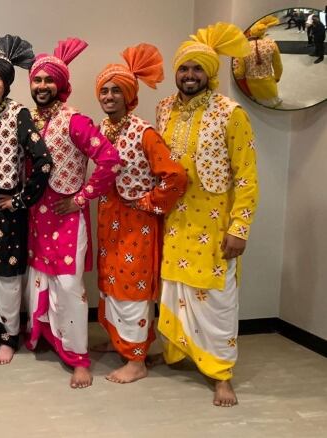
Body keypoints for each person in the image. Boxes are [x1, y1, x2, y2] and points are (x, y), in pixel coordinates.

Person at [155, 22, 258, 407]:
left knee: (217, 299)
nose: (190, 76)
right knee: (175, 290)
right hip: (175, 221)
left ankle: (220, 374)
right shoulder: (164, 108)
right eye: (184, 68)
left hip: (215, 224)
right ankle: (180, 354)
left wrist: (240, 227)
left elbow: (247, 176)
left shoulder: (231, 113)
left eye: (198, 69)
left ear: (210, 73)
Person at [23, 38, 121, 388]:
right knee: (40, 282)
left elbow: (110, 160)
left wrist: (82, 198)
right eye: (38, 80)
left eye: (50, 80)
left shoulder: (74, 121)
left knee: (68, 285)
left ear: (62, 85)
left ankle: (79, 357)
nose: (43, 86)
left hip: (66, 218)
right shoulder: (28, 119)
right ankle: (49, 337)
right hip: (36, 216)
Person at [93, 43, 187, 384]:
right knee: (111, 283)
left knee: (132, 287)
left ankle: (137, 360)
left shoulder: (144, 131)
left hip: (136, 223)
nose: (109, 96)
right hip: (108, 218)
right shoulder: (102, 129)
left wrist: (150, 202)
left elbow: (175, 177)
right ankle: (119, 340)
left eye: (117, 90)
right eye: (104, 90)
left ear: (130, 95)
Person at [0, 34, 53, 366]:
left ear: (6, 83)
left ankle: (9, 337)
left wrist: (20, 200)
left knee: (5, 274)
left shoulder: (20, 114)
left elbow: (43, 162)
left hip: (4, 205)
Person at [233, 16, 284, 107]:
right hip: (268, 81)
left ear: (251, 32)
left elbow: (240, 72)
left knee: (259, 103)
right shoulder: (271, 44)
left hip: (252, 83)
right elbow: (278, 65)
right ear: (264, 32)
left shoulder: (244, 48)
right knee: (273, 102)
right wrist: (277, 77)